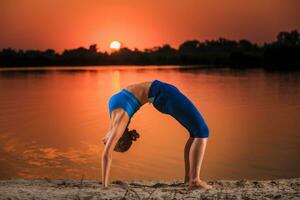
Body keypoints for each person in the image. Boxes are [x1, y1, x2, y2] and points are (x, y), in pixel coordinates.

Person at [101, 80, 212, 190]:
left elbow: (107, 143)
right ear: (119, 137)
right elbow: (106, 155)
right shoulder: (119, 118)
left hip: (163, 93)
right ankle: (195, 180)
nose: (108, 141)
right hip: (164, 95)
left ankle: (189, 180)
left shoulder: (115, 122)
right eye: (113, 142)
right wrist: (105, 186)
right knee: (202, 131)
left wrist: (105, 184)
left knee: (195, 132)